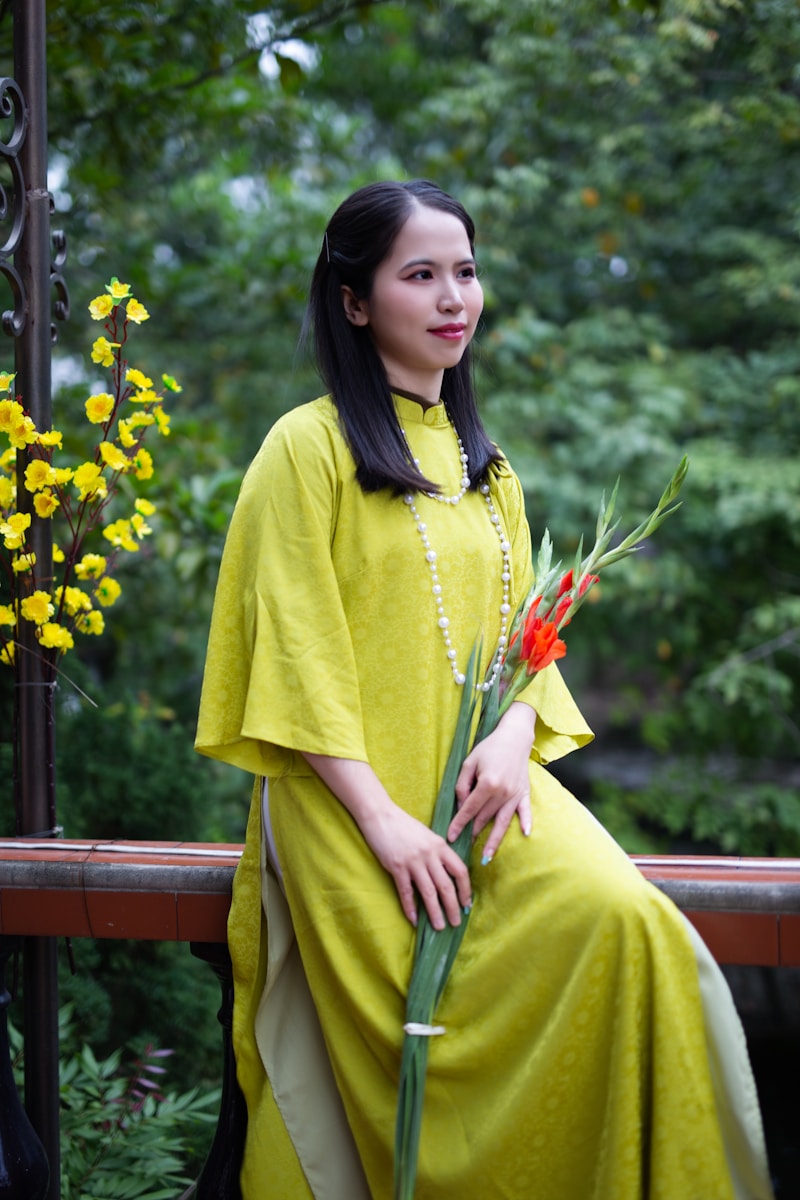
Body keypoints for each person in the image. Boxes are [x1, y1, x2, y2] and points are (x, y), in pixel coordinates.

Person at [195, 180, 773, 1200]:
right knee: (412, 1061)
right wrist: (385, 824)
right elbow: (293, 652)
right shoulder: (306, 448)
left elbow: (526, 641)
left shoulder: (485, 466)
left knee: (632, 928)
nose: (452, 296)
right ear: (354, 301)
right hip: (353, 810)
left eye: (464, 271)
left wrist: (513, 734)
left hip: (489, 793)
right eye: (419, 274)